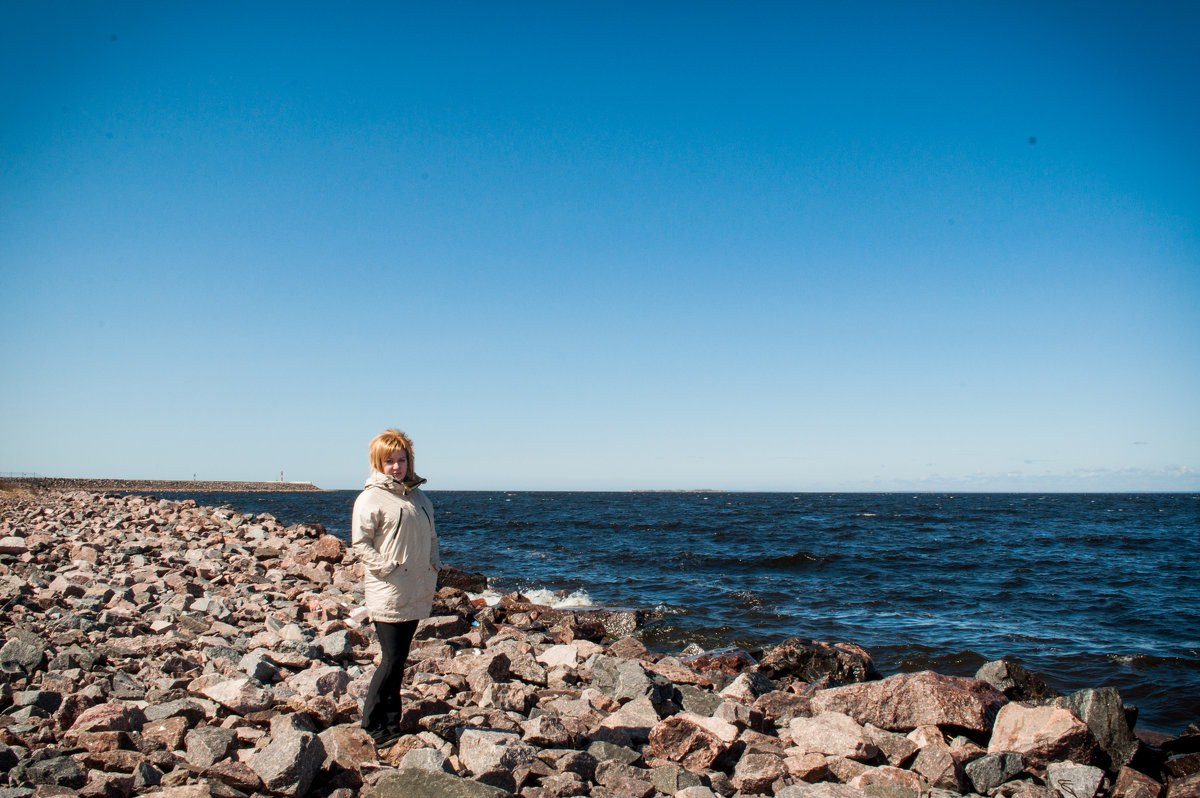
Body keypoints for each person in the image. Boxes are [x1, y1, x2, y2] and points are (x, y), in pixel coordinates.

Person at [351, 428, 441, 747]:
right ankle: (372, 725)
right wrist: (385, 567)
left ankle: (392, 723)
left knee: (400, 658)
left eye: (401, 460)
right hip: (388, 589)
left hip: (415, 587)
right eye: (389, 461)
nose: (396, 467)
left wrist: (433, 562)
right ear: (379, 462)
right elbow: (360, 543)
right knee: (391, 658)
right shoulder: (371, 498)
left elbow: (430, 535)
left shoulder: (418, 497)